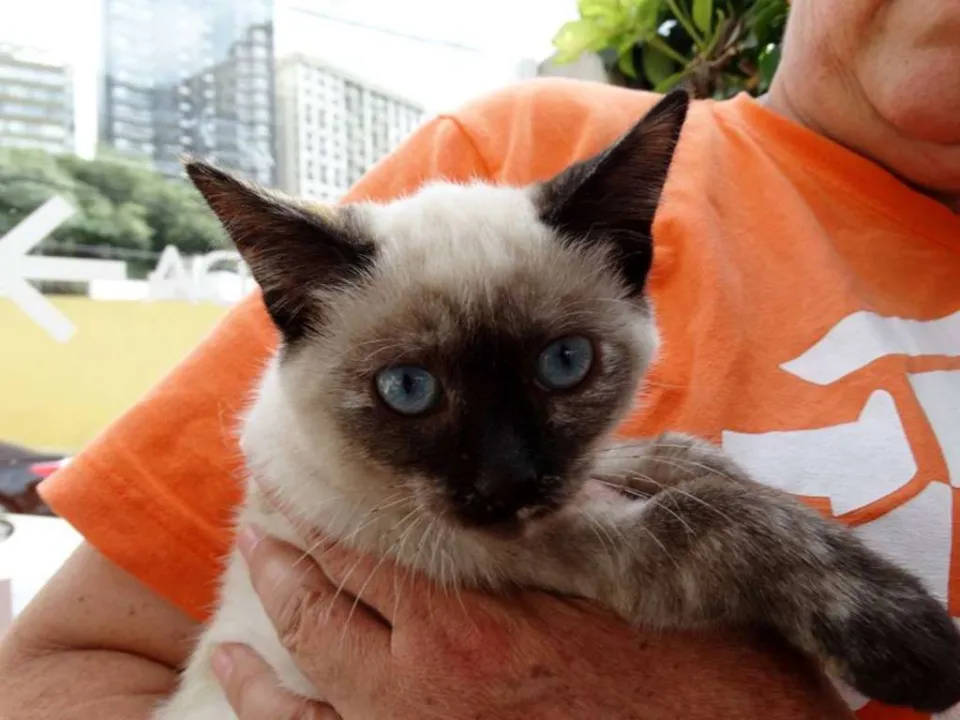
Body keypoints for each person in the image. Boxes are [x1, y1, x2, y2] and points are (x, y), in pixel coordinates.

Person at [1, 0, 957, 717]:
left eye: (566, 368)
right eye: (410, 389)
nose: (506, 473)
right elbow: (57, 668)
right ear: (298, 313)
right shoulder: (498, 147)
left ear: (629, 269)